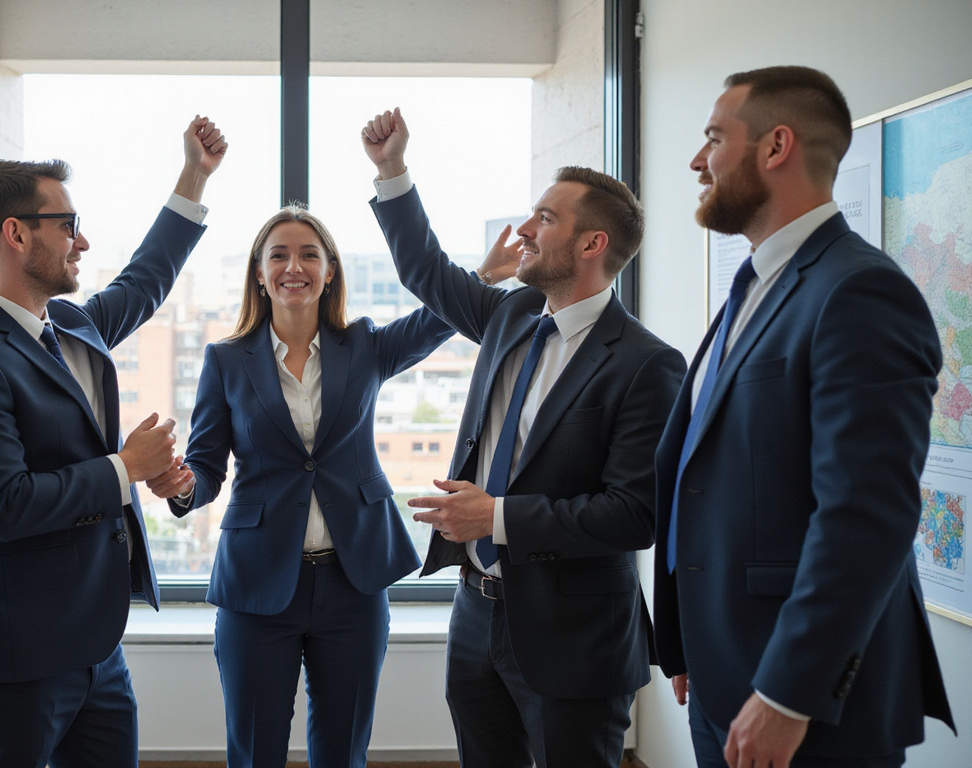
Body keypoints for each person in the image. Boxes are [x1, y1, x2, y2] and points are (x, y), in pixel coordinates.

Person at [652, 65, 956, 768]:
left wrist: (789, 694)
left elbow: (866, 514)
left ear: (776, 146)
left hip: (805, 705)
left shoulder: (859, 290)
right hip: (724, 674)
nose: (697, 161)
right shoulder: (755, 286)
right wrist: (690, 641)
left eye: (713, 139)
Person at [362, 108, 685, 768]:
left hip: (577, 638)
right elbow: (426, 272)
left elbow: (634, 515)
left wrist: (496, 518)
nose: (525, 231)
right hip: (475, 618)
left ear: (592, 244)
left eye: (545, 218)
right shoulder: (511, 314)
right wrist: (392, 170)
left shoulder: (647, 364)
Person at [0, 116, 226, 768]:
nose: (81, 241)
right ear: (16, 234)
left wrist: (194, 177)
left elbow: (144, 280)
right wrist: (125, 468)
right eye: (68, 225)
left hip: (96, 650)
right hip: (13, 660)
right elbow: (5, 505)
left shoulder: (70, 324)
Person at [149, 204, 454, 767]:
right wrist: (182, 485)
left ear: (330, 270)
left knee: (343, 752)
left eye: (309, 255)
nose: (294, 267)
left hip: (353, 581)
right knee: (254, 751)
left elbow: (438, 318)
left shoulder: (365, 345)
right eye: (279, 256)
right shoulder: (226, 360)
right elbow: (205, 468)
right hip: (257, 582)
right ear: (259, 273)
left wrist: (485, 277)